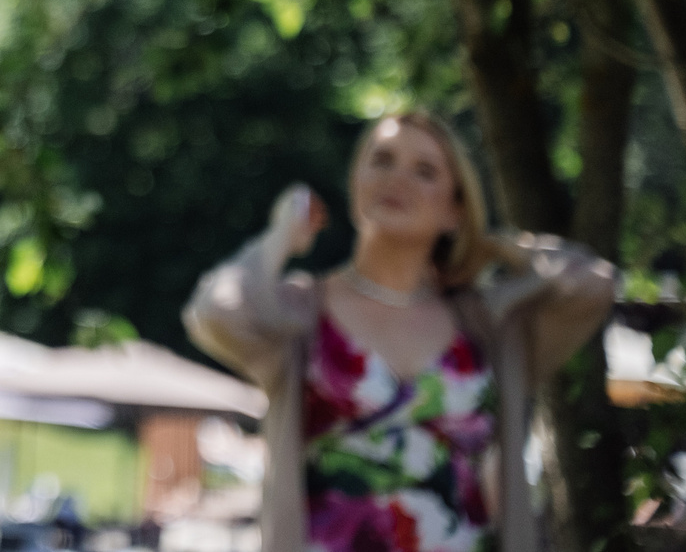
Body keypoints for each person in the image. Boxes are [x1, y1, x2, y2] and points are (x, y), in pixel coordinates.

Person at [185, 112, 616, 552]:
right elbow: (215, 313)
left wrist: (493, 243)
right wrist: (282, 234)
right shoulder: (304, 312)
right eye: (382, 161)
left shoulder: (486, 325)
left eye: (425, 171)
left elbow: (594, 284)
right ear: (356, 185)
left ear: (454, 208)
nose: (398, 179)